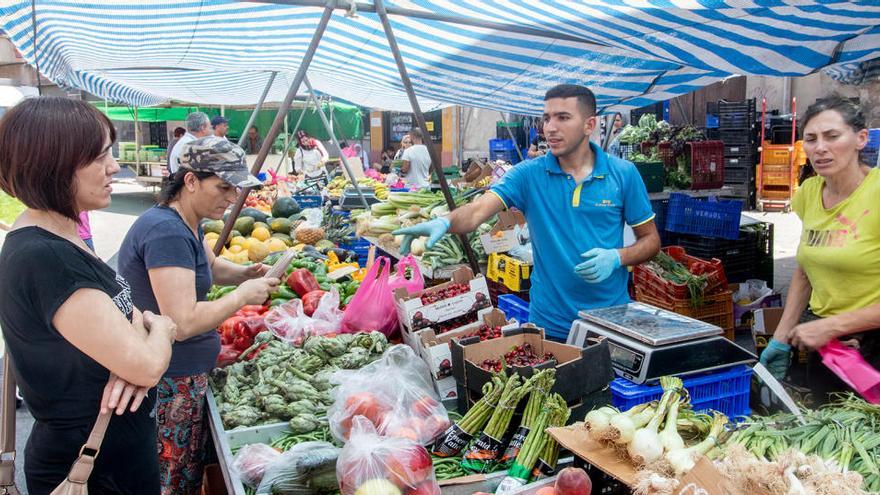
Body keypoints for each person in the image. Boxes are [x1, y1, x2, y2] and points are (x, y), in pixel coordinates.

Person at [0, 96, 177, 494]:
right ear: (53, 166)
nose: (114, 167)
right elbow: (147, 363)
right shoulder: (45, 258)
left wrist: (136, 353)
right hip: (88, 469)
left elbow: (127, 324)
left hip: (112, 460)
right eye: (99, 158)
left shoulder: (64, 236)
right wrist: (161, 329)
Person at [395, 85, 660, 340]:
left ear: (589, 125)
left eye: (563, 117)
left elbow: (651, 241)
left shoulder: (623, 174)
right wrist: (444, 221)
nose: (550, 128)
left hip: (610, 321)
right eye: (546, 118)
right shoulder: (528, 175)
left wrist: (617, 257)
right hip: (549, 324)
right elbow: (477, 211)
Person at [117, 136, 280, 494]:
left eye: (236, 188)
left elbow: (210, 267)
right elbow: (183, 322)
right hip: (170, 380)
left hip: (183, 375)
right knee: (173, 480)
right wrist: (240, 297)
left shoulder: (187, 222)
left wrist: (243, 274)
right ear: (190, 181)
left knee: (186, 472)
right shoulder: (166, 232)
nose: (232, 196)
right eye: (223, 187)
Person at [758, 95, 880, 403]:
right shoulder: (809, 193)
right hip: (829, 349)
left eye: (832, 136)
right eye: (811, 139)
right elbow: (806, 269)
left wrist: (834, 325)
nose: (820, 148)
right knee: (831, 442)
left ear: (860, 139)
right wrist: (782, 336)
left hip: (873, 347)